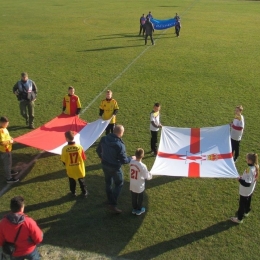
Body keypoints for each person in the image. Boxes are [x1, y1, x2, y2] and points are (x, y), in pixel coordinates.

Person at [96, 125, 135, 213]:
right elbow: (124, 160)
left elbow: (98, 150)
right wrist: (131, 158)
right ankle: (112, 204)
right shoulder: (119, 145)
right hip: (115, 168)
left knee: (108, 182)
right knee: (119, 184)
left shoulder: (104, 139)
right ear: (121, 133)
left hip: (105, 165)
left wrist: (102, 158)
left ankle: (109, 199)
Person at [231, 153, 258, 224]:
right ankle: (247, 211)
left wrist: (239, 179)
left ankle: (239, 218)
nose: (246, 159)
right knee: (248, 200)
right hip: (251, 189)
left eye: (246, 158)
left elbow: (247, 183)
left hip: (245, 191)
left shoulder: (249, 170)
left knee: (242, 204)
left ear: (249, 160)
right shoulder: (256, 166)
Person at [61, 131, 88, 197]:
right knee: (81, 180)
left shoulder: (64, 149)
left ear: (66, 138)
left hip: (70, 168)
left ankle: (73, 193)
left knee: (72, 181)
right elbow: (84, 158)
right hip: (79, 167)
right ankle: (84, 192)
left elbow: (63, 160)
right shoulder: (79, 147)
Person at [130, 148, 152, 216]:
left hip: (132, 183)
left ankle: (134, 208)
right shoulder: (142, 166)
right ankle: (139, 209)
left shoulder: (131, 162)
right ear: (143, 156)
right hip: (139, 185)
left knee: (134, 197)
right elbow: (147, 177)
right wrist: (150, 175)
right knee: (140, 197)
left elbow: (132, 159)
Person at [0, 116, 19, 184]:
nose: (7, 125)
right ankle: (9, 178)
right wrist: (10, 142)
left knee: (8, 163)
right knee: (7, 164)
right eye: (6, 124)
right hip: (5, 150)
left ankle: (9, 171)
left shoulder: (3, 128)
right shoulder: (1, 130)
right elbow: (2, 142)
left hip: (6, 150)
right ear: (2, 123)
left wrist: (10, 138)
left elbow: (6, 137)